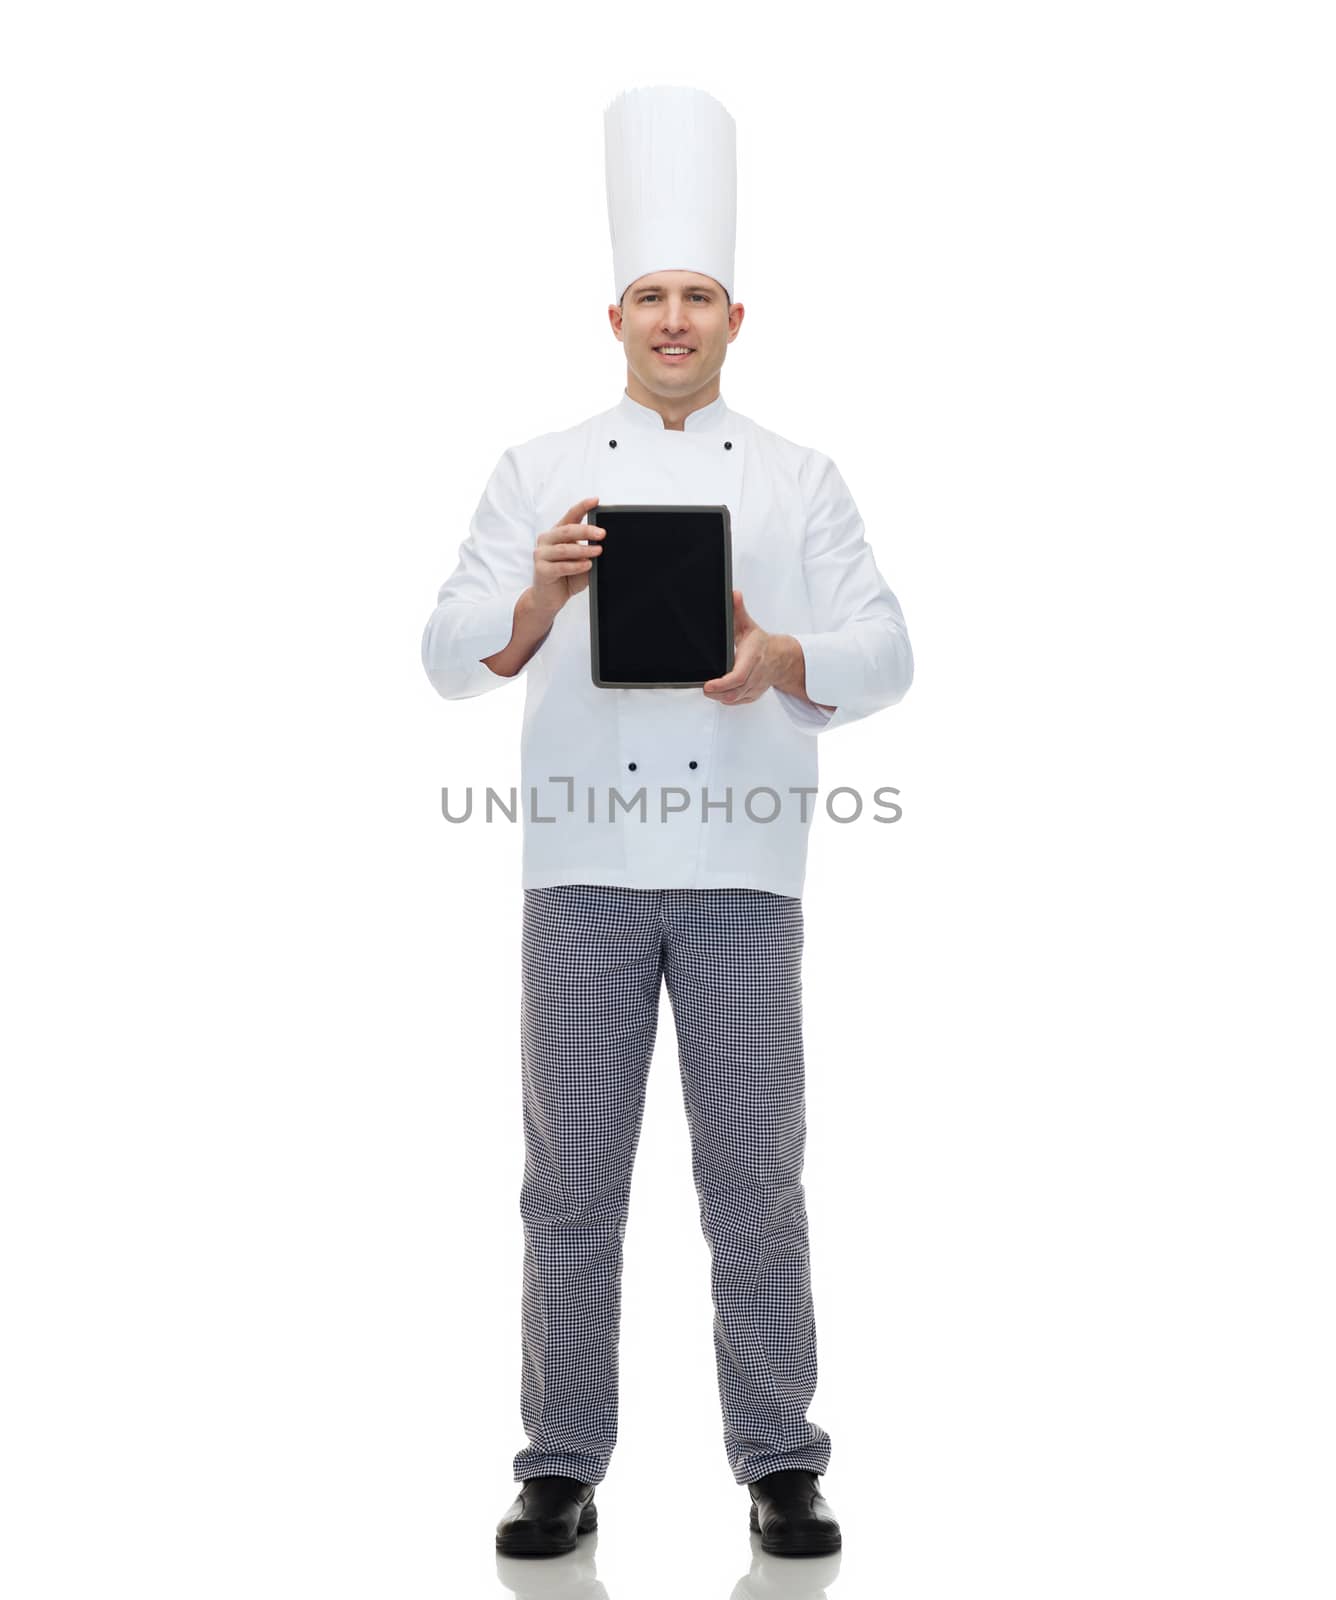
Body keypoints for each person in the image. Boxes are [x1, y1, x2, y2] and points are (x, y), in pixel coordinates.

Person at [420, 86, 913, 1560]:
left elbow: (891, 650)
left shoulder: (801, 477)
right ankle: (559, 1459)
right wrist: (533, 601)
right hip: (577, 870)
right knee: (568, 1181)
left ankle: (779, 1458)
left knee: (756, 1178)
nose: (675, 318)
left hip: (744, 875)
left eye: (699, 296)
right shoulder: (537, 471)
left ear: (736, 316)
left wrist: (780, 660)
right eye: (653, 296)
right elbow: (443, 650)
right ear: (616, 313)